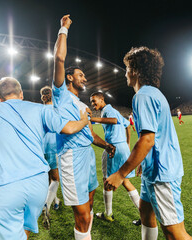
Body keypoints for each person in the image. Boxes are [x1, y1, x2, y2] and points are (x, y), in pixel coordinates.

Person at [0, 77, 89, 240]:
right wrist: (84, 120)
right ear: (21, 94)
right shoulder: (41, 109)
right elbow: (70, 128)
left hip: (4, 188)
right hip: (38, 186)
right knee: (22, 232)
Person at [104, 47, 192, 240]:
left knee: (174, 233)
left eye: (127, 67)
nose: (125, 72)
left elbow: (147, 139)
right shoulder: (153, 93)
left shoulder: (143, 96)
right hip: (154, 171)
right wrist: (143, 163)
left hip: (162, 174)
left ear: (135, 70)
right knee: (146, 213)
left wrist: (120, 174)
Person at [53, 15, 116, 240]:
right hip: (71, 156)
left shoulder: (81, 104)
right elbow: (59, 60)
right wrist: (64, 29)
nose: (85, 78)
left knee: (88, 208)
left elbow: (89, 134)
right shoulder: (60, 94)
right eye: (80, 75)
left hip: (87, 155)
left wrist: (106, 145)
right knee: (81, 215)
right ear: (69, 77)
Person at [90, 92, 141, 225]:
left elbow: (114, 121)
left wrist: (93, 119)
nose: (93, 104)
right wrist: (128, 143)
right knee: (125, 181)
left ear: (102, 99)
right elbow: (127, 124)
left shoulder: (108, 110)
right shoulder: (113, 110)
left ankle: (108, 214)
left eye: (95, 101)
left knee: (107, 181)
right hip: (122, 147)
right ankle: (144, 213)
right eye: (91, 102)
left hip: (113, 148)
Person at [40, 86, 61, 229]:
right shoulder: (56, 109)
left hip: (42, 147)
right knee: (56, 179)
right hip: (54, 146)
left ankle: (55, 200)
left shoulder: (39, 111)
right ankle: (46, 204)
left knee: (48, 177)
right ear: (52, 95)